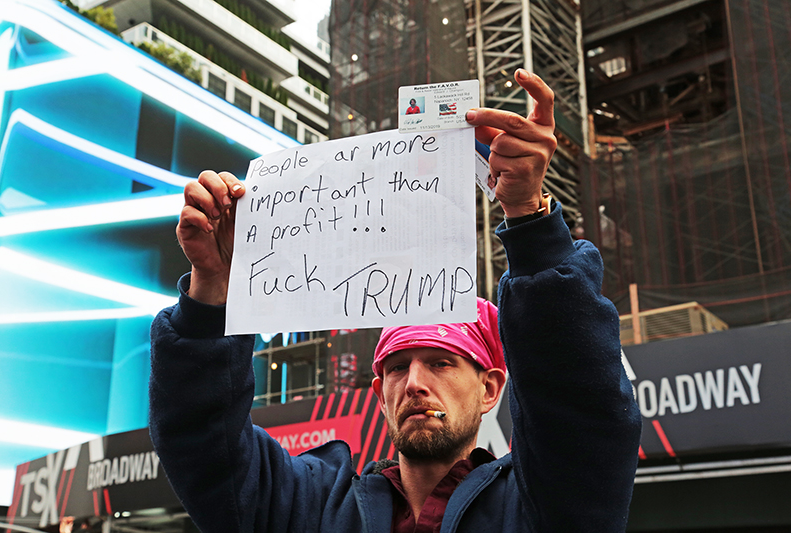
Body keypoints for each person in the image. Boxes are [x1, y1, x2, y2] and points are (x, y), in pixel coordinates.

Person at [149, 69, 642, 532]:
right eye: (398, 367)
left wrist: (530, 220)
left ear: (491, 388)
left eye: (443, 363)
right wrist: (213, 291)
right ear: (379, 387)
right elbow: (204, 446)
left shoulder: (546, 504)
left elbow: (579, 400)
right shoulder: (311, 508)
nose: (415, 384)